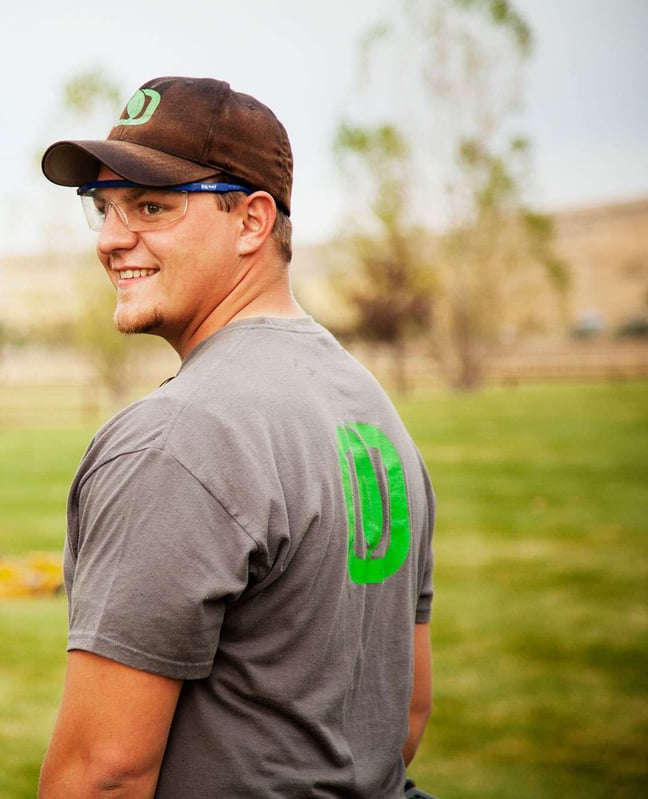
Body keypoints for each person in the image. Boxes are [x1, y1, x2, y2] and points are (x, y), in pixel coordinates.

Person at [36, 76, 435, 798]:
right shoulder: (371, 409)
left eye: (151, 205)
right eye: (103, 208)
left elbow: (104, 776)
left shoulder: (176, 439)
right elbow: (404, 715)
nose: (110, 239)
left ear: (252, 221)